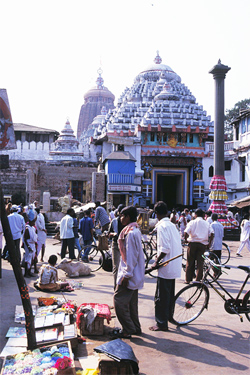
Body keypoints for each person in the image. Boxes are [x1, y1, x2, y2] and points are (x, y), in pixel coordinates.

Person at [149, 201, 182, 332]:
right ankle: (169, 317)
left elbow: (165, 248)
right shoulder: (172, 225)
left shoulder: (162, 227)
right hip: (173, 265)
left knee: (161, 296)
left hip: (166, 265)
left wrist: (156, 262)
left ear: (156, 213)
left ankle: (162, 323)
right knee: (168, 294)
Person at [113, 206, 145, 338]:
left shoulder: (131, 233)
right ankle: (135, 327)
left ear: (127, 217)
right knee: (132, 303)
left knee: (118, 300)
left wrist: (127, 274)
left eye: (122, 216)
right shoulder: (133, 230)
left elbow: (131, 256)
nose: (120, 218)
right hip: (133, 272)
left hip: (130, 273)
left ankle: (128, 328)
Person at [184, 208, 214, 283]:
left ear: (195, 215)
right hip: (202, 245)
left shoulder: (192, 222)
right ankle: (198, 280)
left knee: (190, 262)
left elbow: (186, 232)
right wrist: (209, 243)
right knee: (200, 263)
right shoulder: (206, 223)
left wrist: (186, 240)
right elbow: (212, 233)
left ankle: (188, 279)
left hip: (192, 244)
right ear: (203, 215)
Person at [108, 204, 125, 289]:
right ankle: (116, 286)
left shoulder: (128, 223)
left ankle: (123, 286)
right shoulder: (114, 221)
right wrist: (113, 234)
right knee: (116, 266)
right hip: (115, 244)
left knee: (125, 266)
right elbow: (108, 233)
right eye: (121, 213)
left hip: (125, 245)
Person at [23, 207, 38, 277]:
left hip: (32, 245)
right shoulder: (27, 228)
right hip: (28, 245)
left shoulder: (33, 228)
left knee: (31, 259)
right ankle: (26, 273)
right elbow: (25, 239)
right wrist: (28, 247)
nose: (34, 223)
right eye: (33, 222)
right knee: (27, 260)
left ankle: (29, 272)